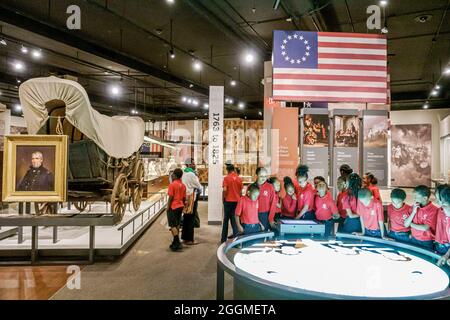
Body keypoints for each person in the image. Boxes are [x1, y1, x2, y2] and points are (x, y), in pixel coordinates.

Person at [404, 185, 439, 250]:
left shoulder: (434, 210)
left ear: (425, 198)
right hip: (413, 238)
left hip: (426, 241)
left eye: (416, 197)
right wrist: (413, 212)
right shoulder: (414, 207)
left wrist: (410, 224)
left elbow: (425, 228)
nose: (414, 199)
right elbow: (406, 224)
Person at [181, 158, 202, 245]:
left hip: (185, 198)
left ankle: (184, 238)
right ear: (189, 165)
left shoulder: (183, 173)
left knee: (186, 218)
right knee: (191, 219)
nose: (194, 165)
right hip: (191, 199)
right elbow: (199, 186)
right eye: (193, 164)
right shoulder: (191, 174)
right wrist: (199, 190)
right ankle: (190, 239)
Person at [221, 164, 243, 243]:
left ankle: (223, 239)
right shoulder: (239, 179)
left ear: (227, 170)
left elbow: (224, 190)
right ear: (233, 169)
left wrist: (223, 198)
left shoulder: (226, 178)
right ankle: (236, 241)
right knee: (235, 221)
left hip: (228, 201)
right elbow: (240, 192)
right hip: (237, 202)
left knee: (226, 220)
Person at [166, 169, 186, 251]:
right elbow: (184, 197)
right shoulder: (183, 185)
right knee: (177, 224)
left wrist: (168, 207)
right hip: (180, 206)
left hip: (173, 206)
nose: (172, 175)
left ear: (175, 175)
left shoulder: (172, 185)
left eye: (173, 174)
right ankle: (175, 242)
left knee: (172, 225)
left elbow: (170, 197)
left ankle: (177, 242)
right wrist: (183, 205)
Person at [434, 185, 450, 256]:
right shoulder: (439, 210)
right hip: (439, 244)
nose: (436, 201)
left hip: (447, 246)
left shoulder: (447, 212)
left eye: (438, 199)